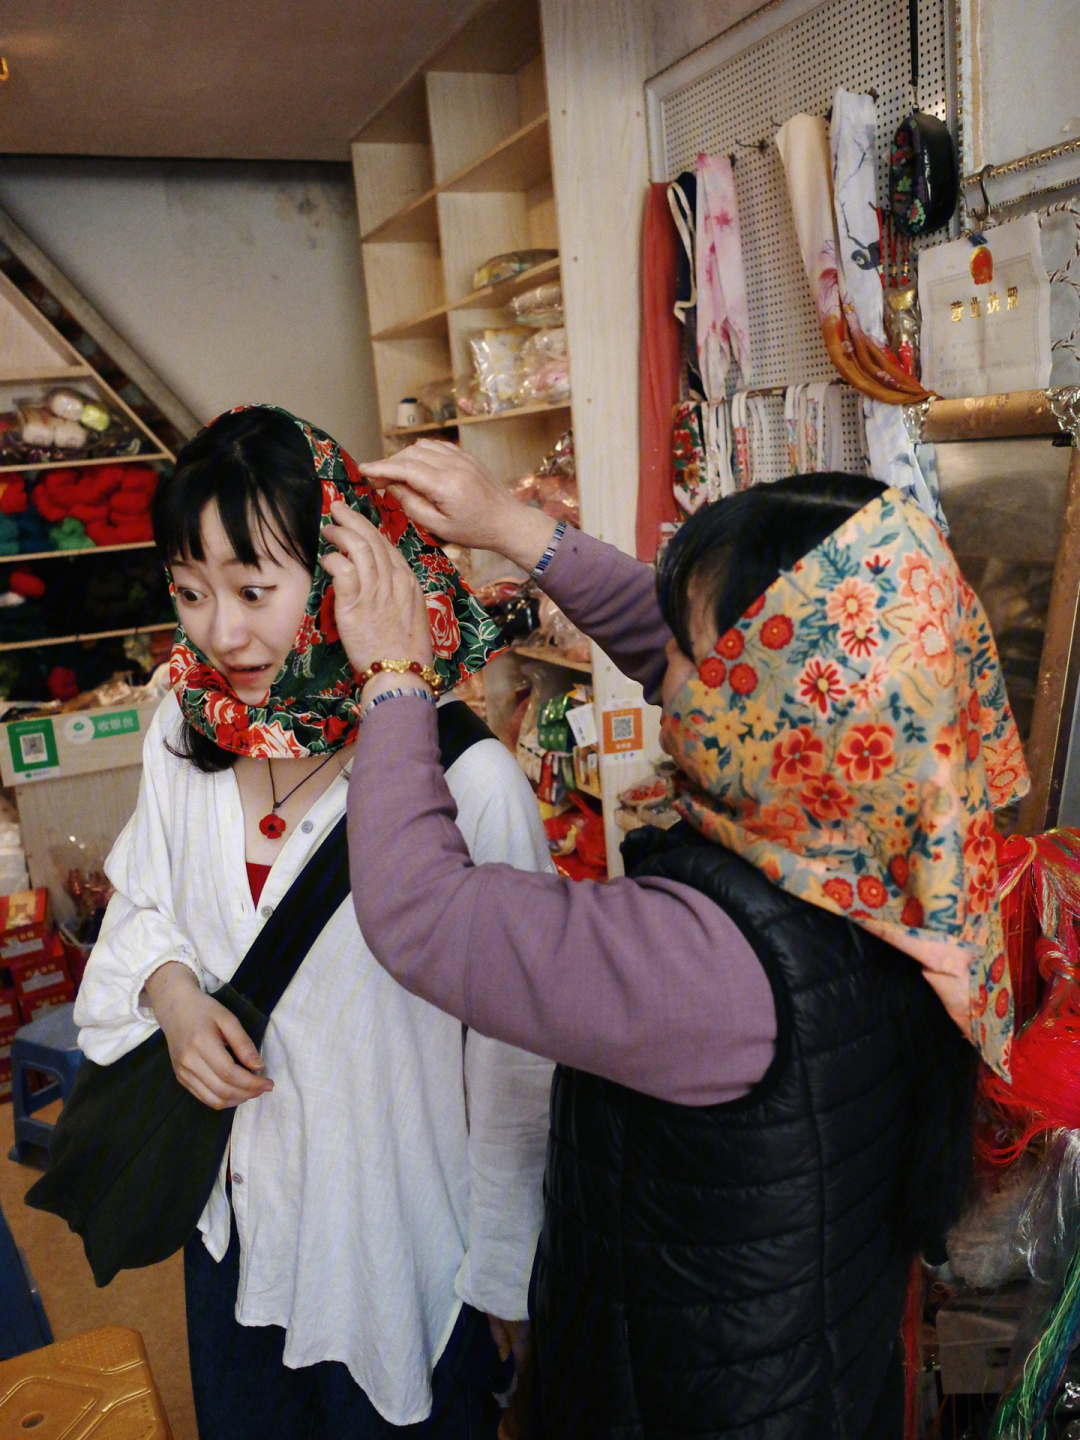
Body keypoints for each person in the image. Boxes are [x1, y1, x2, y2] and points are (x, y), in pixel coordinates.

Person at [319, 440, 1031, 1440]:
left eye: (693, 657)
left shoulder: (715, 959)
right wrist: (506, 523)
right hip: (809, 1365)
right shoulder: (895, 823)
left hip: (689, 1402)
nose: (664, 667)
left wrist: (394, 676)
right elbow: (680, 648)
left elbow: (420, 915)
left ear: (758, 699)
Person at [73, 409, 554, 1440]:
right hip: (237, 1227)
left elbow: (519, 1054)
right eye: (191, 591)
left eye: (255, 591)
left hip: (405, 1256)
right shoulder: (184, 730)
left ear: (352, 573)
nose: (221, 633)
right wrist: (172, 996)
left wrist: (506, 1276)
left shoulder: (467, 784)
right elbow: (142, 901)